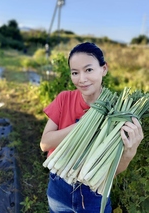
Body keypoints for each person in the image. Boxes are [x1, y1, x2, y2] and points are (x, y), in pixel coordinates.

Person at [40, 42, 144, 213]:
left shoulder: (118, 112)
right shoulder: (64, 98)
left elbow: (115, 171)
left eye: (88, 70)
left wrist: (129, 153)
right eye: (75, 73)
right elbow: (45, 144)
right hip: (58, 185)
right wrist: (86, 122)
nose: (81, 79)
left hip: (94, 192)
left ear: (104, 69)